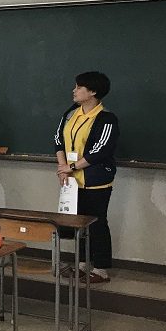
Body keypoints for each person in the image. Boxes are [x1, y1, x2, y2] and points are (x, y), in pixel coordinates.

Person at [54, 71, 119, 284]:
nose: (74, 91)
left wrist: (70, 167)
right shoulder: (71, 113)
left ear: (93, 92)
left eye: (79, 87)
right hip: (72, 181)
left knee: (97, 223)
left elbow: (99, 151)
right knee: (78, 223)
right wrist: (63, 168)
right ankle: (82, 264)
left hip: (95, 181)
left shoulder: (106, 118)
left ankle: (100, 269)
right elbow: (58, 139)